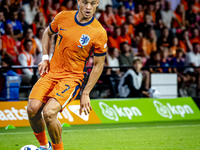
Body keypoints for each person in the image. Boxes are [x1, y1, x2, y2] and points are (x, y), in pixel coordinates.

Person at [27, 0, 108, 150]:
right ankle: (45, 147)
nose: (88, 7)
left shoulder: (99, 32)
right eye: (85, 2)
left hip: (72, 78)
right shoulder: (63, 17)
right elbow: (47, 33)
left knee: (49, 113)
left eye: (92, 3)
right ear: (79, 2)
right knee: (32, 109)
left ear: (97, 4)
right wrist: (45, 58)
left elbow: (99, 65)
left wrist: (86, 93)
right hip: (52, 72)